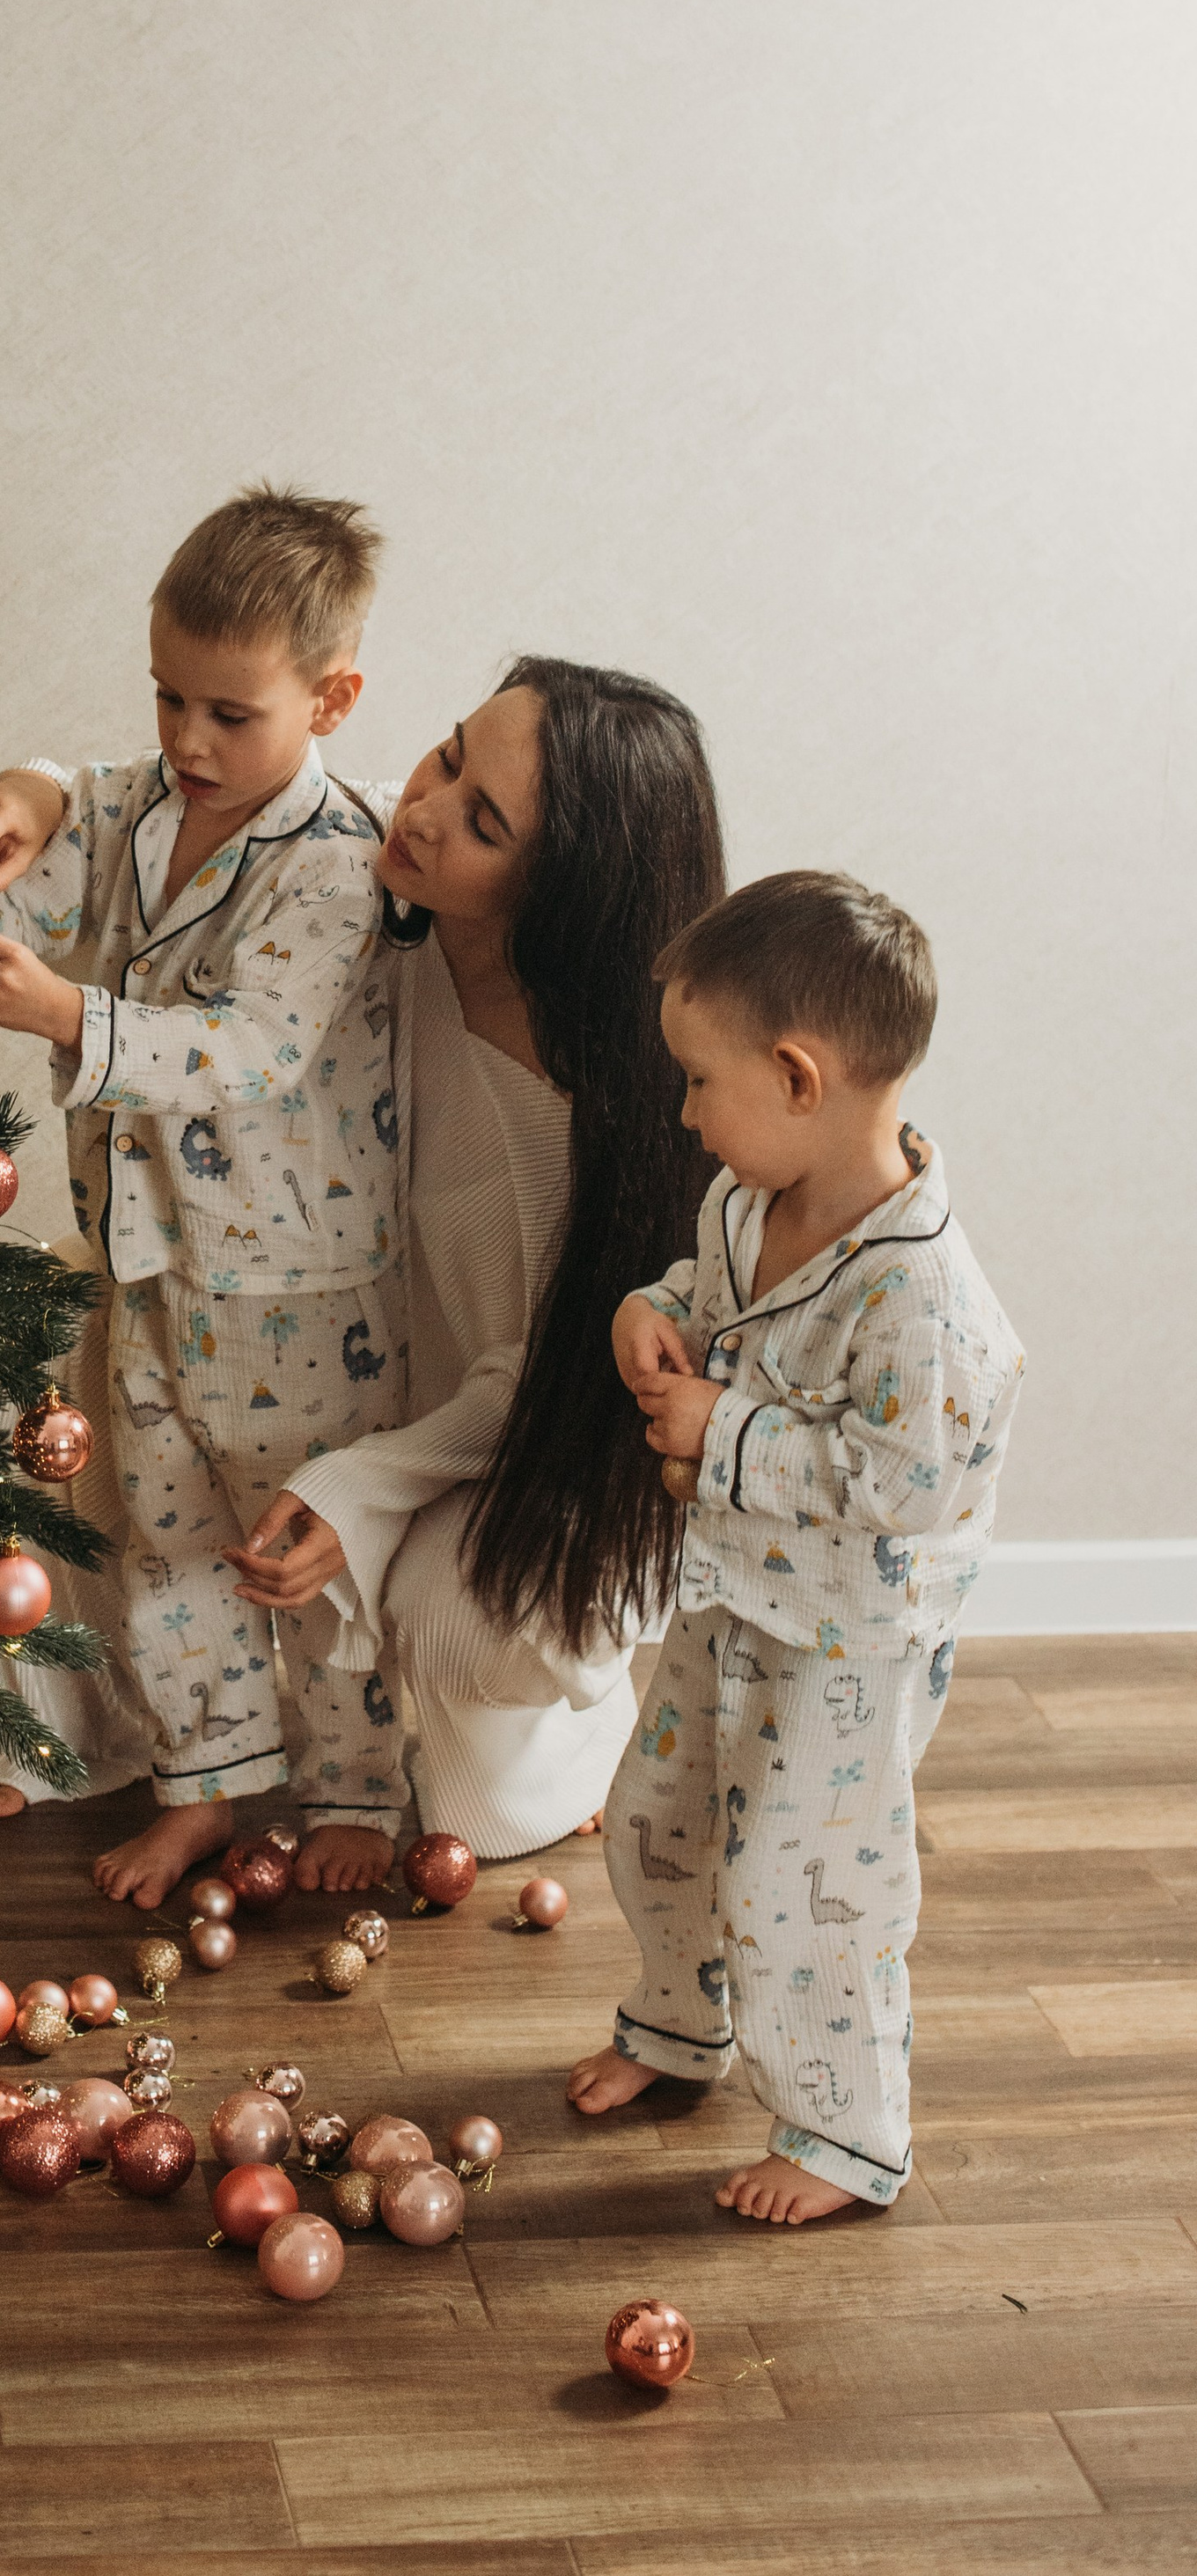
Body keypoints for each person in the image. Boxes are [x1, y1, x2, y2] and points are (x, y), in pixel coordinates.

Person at [0, 485, 409, 1905]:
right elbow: (41, 852)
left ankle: (357, 1787)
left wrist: (64, 1013)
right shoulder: (138, 803)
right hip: (149, 1267)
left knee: (299, 1556)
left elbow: (249, 1053)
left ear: (333, 699)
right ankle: (209, 1784)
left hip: (299, 1293)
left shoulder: (334, 864)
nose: (189, 739)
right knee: (165, 1544)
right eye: (168, 697)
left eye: (230, 715)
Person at [567, 872, 1023, 2224]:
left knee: (805, 1891)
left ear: (798, 1077)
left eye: (702, 1083)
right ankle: (673, 2027)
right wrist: (648, 1316)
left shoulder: (924, 1295)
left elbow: (903, 1484)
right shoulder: (740, 1206)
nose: (689, 1112)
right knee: (658, 1821)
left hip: (848, 1645)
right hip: (727, 1599)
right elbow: (706, 1310)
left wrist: (724, 1432)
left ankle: (842, 2134)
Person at [225, 660, 727, 1875]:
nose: (426, 804)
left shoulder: (596, 1115)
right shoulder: (365, 908)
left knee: (459, 1705)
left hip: (524, 1444)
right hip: (353, 1375)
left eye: (485, 821)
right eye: (450, 754)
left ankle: (568, 1725)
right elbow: (180, 795)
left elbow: (542, 1374)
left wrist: (367, 1489)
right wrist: (25, 792)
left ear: (566, 895)